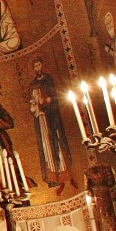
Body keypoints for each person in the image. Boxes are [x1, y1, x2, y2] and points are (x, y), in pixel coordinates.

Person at [29, 58, 74, 192]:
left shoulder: (49, 79)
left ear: (42, 65)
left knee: (58, 143)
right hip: (42, 120)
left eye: (38, 65)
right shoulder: (32, 85)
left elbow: (57, 95)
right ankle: (53, 178)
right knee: (47, 145)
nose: (37, 68)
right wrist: (35, 106)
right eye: (35, 66)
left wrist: (50, 99)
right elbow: (31, 105)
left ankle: (66, 175)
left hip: (53, 117)